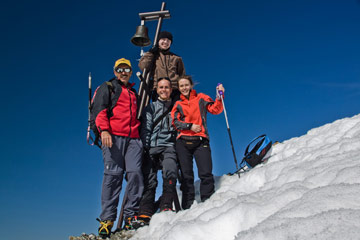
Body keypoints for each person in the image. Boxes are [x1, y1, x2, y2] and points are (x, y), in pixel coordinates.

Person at [92, 58, 144, 238]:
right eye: (120, 69)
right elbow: (99, 110)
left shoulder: (134, 93)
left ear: (130, 72)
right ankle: (107, 220)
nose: (123, 72)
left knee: (135, 174)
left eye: (126, 69)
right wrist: (104, 130)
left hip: (134, 139)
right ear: (115, 72)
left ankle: (131, 216)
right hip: (113, 137)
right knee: (113, 176)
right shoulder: (108, 87)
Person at [171, 75, 224, 210]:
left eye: (186, 85)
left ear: (191, 85)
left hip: (201, 140)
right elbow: (175, 122)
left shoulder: (201, 98)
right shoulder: (178, 104)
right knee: (186, 175)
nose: (184, 88)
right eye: (181, 86)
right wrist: (190, 126)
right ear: (179, 88)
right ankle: (188, 206)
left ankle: (208, 202)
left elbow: (215, 109)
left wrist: (219, 97)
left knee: (205, 172)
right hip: (183, 142)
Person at [133, 77, 179, 228]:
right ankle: (145, 211)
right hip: (152, 147)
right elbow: (146, 129)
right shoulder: (150, 108)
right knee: (149, 178)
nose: (164, 90)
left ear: (171, 90)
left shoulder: (176, 107)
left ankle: (166, 204)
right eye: (161, 87)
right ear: (157, 90)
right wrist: (145, 149)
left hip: (168, 146)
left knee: (170, 169)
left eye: (166, 87)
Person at [138, 31, 186, 102]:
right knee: (159, 111)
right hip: (158, 89)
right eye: (163, 39)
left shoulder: (176, 58)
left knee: (176, 112)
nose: (165, 42)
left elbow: (182, 75)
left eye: (168, 40)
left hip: (174, 90)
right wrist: (150, 53)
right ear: (158, 41)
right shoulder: (152, 56)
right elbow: (143, 67)